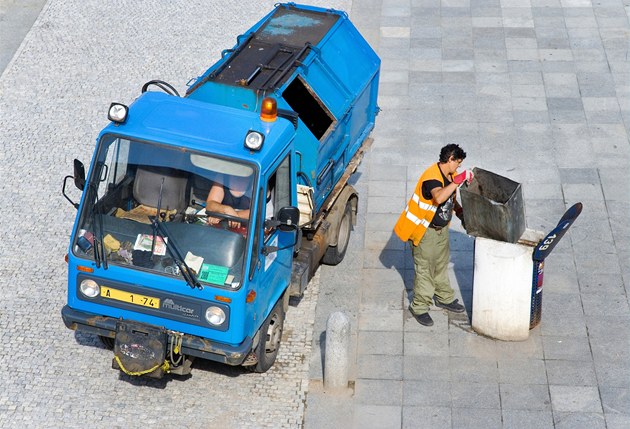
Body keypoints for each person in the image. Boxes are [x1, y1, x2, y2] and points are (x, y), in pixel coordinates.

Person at [393, 144, 473, 326]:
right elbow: (438, 198)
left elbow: (450, 200)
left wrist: (461, 213)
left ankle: (444, 297)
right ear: (450, 158)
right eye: (457, 164)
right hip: (425, 233)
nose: (458, 168)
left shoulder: (449, 176)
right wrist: (457, 181)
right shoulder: (431, 178)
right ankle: (419, 307)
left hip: (441, 231)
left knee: (440, 265)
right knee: (425, 270)